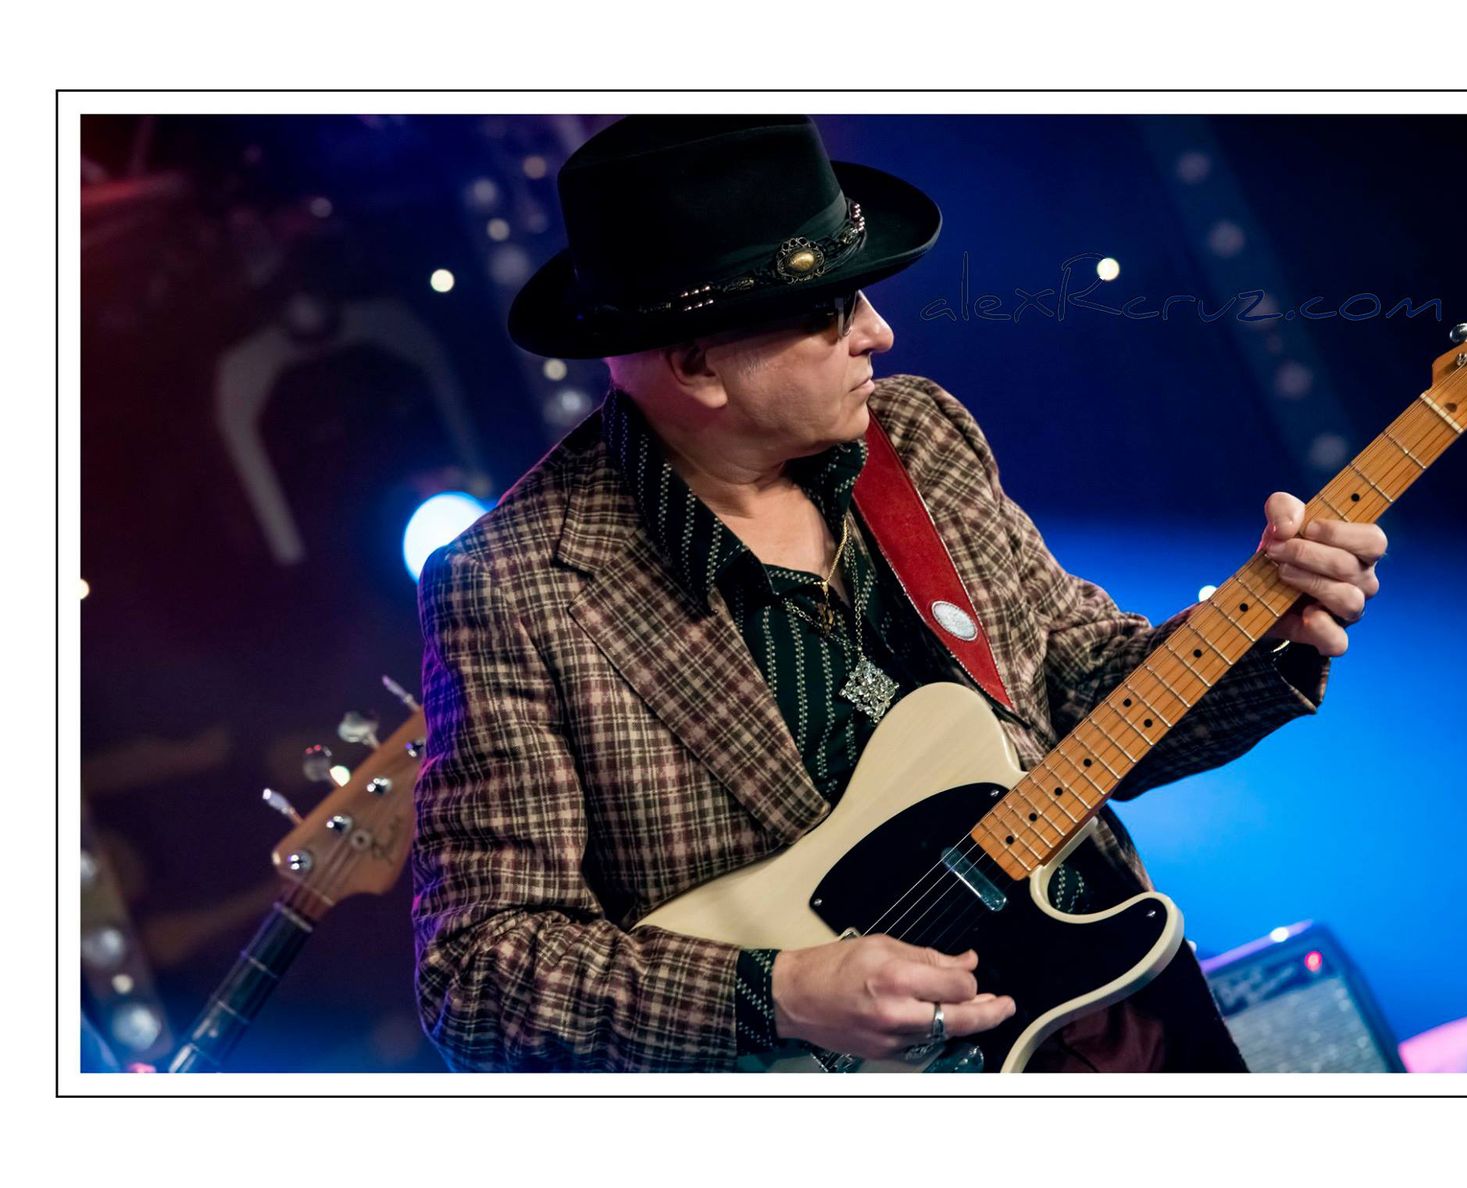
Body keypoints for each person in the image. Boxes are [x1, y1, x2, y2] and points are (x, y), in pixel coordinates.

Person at [410, 115, 1385, 1072]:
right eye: (830, 310)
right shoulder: (515, 585)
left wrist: (1266, 628)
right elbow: (478, 975)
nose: (879, 332)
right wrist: (777, 993)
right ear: (697, 362)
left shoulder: (919, 436)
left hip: (1110, 1023)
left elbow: (1079, 693)